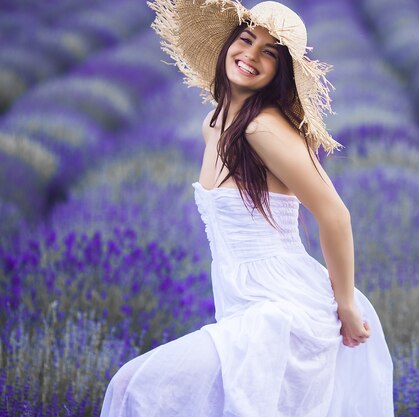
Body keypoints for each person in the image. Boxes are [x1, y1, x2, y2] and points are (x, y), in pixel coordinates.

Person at [100, 1, 394, 415]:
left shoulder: (263, 128)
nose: (251, 57)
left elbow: (334, 214)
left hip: (280, 311)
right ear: (227, 46)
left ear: (281, 73)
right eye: (246, 40)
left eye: (270, 54)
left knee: (133, 385)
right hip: (243, 304)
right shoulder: (214, 124)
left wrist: (346, 304)